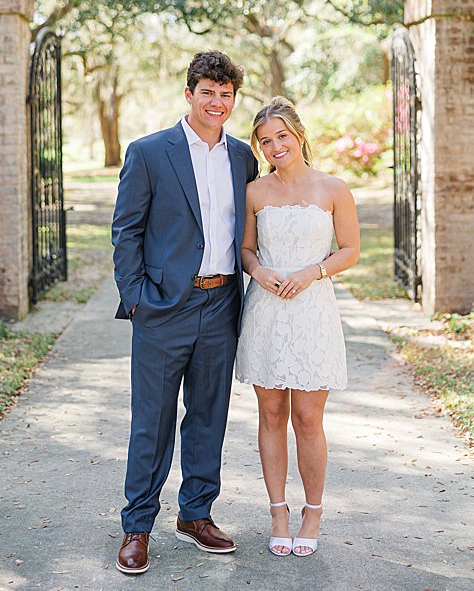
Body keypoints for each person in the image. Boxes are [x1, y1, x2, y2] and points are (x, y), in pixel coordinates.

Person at [111, 50, 259, 575]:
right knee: (151, 421)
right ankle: (137, 525)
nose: (217, 103)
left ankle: (196, 514)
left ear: (233, 100)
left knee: (208, 415)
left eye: (226, 95)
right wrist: (136, 298)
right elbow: (126, 229)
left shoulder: (243, 157)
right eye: (208, 93)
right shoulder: (151, 152)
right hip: (163, 307)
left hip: (222, 304)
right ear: (189, 94)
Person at [233, 97, 359, 558]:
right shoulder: (255, 192)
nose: (275, 146)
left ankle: (313, 512)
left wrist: (313, 271)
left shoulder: (333, 188)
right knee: (270, 415)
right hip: (266, 311)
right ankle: (278, 511)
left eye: (281, 136)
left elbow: (349, 250)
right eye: (266, 141)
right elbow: (246, 251)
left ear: (298, 135)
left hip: (312, 312)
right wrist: (258, 271)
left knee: (308, 418)